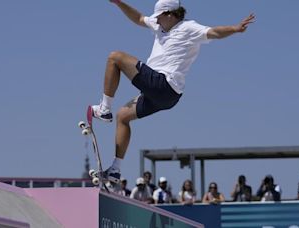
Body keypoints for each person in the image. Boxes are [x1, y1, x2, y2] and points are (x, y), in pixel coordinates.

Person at [90, 0, 256, 183]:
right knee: (123, 116)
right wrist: (119, 3)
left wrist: (235, 28)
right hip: (167, 97)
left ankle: (104, 108)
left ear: (170, 14)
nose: (157, 22)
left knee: (115, 57)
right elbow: (138, 18)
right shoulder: (159, 24)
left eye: (159, 18)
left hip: (162, 83)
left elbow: (214, 32)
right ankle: (115, 169)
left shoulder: (188, 28)